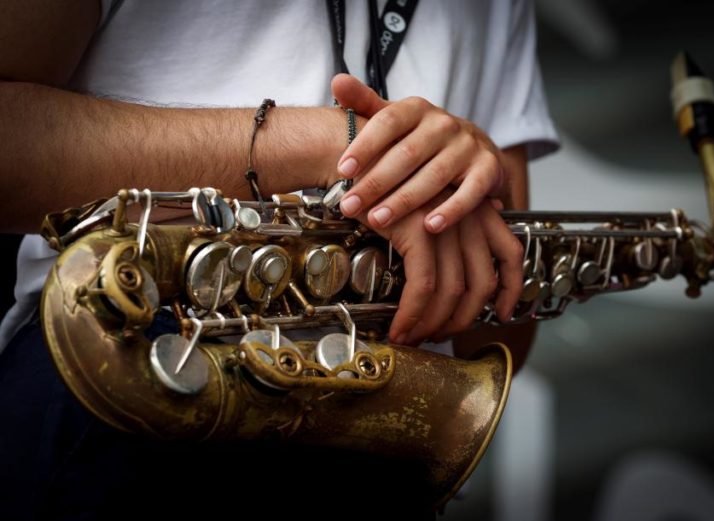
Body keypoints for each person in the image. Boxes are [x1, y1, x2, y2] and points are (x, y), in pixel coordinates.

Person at [0, 0, 558, 518]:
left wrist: (470, 205)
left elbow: (503, 338)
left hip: (377, 436)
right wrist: (328, 144)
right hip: (124, 379)